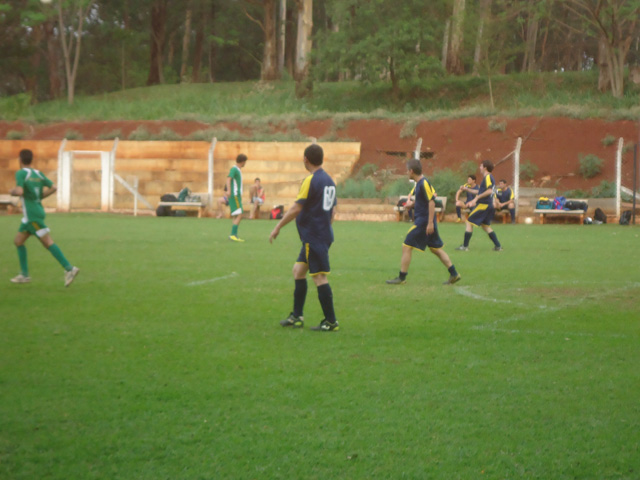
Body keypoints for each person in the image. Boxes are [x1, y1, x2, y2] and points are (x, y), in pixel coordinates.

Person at [269, 144, 339, 332]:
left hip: (314, 236)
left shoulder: (311, 180)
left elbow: (296, 208)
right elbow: (333, 211)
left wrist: (278, 226)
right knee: (298, 271)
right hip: (320, 235)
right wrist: (325, 228)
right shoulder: (329, 181)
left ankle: (331, 321)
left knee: (319, 277)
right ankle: (297, 316)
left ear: (306, 159)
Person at [9, 149, 79, 287]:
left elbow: (19, 191)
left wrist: (12, 191)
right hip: (35, 213)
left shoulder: (21, 173)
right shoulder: (38, 173)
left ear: (20, 160)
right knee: (18, 241)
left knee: (47, 242)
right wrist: (39, 197)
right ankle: (24, 274)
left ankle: (69, 268)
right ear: (31, 159)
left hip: (32, 217)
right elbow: (53, 187)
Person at [386, 159, 461, 286]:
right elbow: (426, 199)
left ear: (411, 171)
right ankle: (454, 274)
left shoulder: (423, 183)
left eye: (407, 171)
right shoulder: (421, 183)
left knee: (406, 246)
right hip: (427, 221)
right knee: (435, 249)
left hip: (424, 222)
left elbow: (431, 201)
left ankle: (401, 277)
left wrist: (430, 223)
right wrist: (412, 205)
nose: (406, 173)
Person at [456, 160, 503, 251]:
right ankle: (498, 246)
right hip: (488, 205)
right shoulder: (488, 177)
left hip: (483, 205)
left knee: (469, 222)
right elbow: (480, 192)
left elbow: (489, 191)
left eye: (481, 166)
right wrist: (467, 189)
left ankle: (465, 246)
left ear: (485, 168)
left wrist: (477, 198)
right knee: (485, 226)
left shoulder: (488, 177)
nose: (480, 168)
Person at [227, 154, 247, 241]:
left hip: (237, 195)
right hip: (235, 195)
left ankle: (233, 235)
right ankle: (233, 234)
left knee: (236, 215)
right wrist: (229, 190)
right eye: (245, 161)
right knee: (240, 214)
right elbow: (229, 179)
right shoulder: (234, 169)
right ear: (242, 161)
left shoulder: (237, 170)